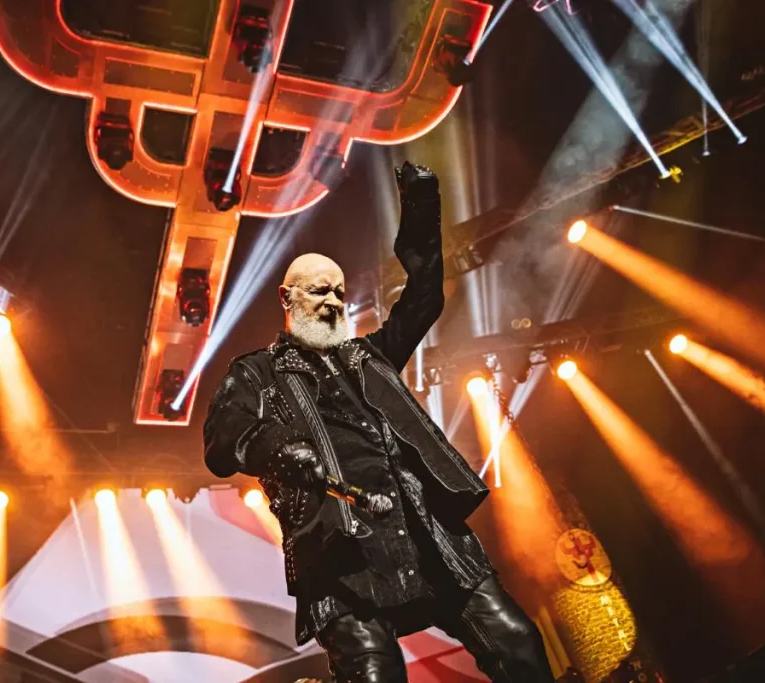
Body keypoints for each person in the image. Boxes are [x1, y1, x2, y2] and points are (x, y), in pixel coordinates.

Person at [203, 161, 556, 683]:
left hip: (424, 531)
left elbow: (424, 297)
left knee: (517, 643)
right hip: (339, 551)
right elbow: (221, 442)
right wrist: (279, 449)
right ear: (288, 297)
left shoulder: (371, 355)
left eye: (339, 294)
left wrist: (421, 206)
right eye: (319, 292)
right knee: (374, 675)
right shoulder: (256, 371)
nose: (332, 303)